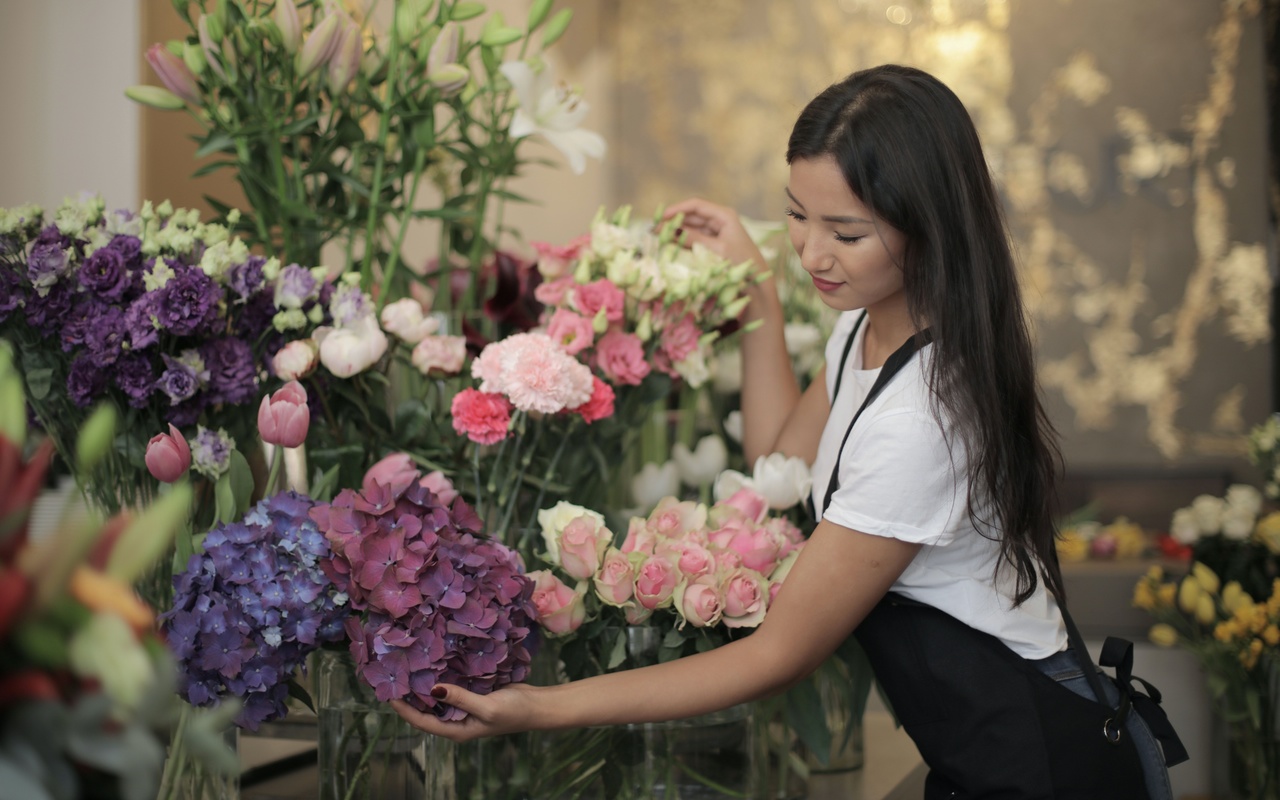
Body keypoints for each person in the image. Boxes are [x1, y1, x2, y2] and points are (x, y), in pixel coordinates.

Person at [393, 64, 1179, 799]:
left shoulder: (925, 418)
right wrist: (761, 298)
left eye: (846, 232)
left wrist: (539, 708)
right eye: (797, 216)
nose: (811, 252)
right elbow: (782, 459)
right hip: (978, 744)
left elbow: (778, 655)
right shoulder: (872, 327)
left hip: (1039, 756)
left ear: (927, 225)